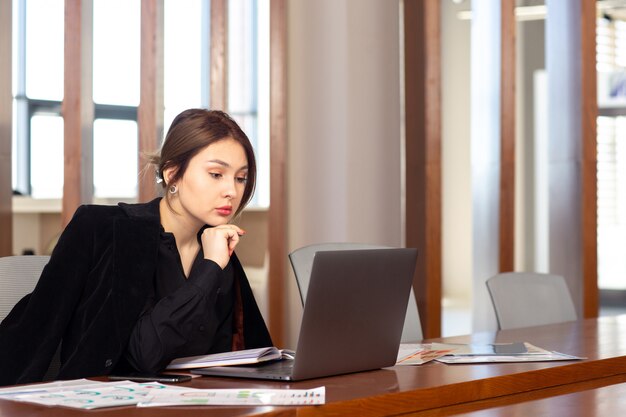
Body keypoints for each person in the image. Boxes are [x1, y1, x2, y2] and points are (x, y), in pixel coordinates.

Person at [0, 109, 272, 386]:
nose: (232, 191)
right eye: (216, 174)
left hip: (196, 402)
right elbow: (143, 356)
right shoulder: (109, 230)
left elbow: (233, 354)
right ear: (172, 173)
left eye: (240, 178)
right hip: (110, 405)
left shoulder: (217, 247)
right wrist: (209, 269)